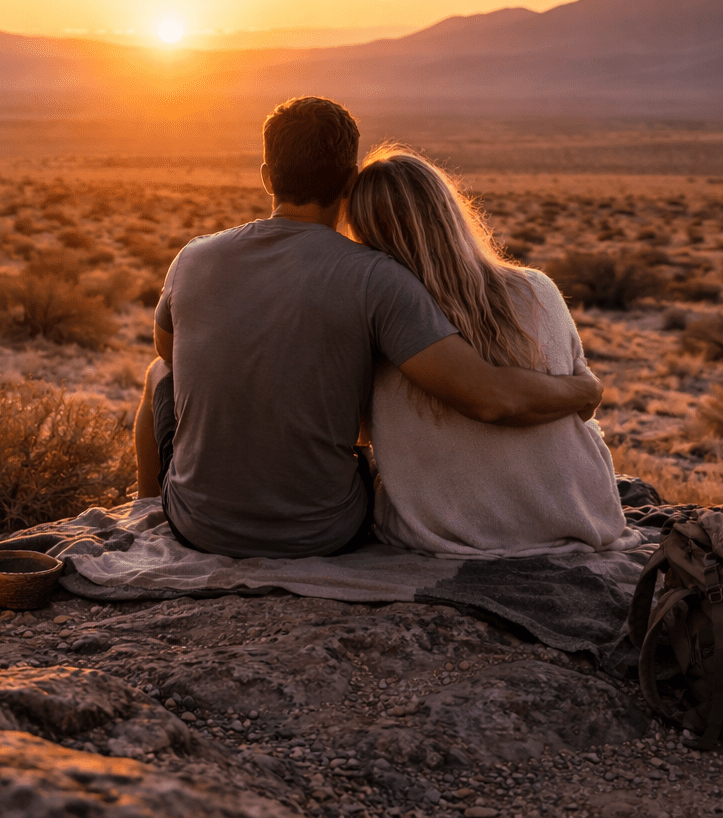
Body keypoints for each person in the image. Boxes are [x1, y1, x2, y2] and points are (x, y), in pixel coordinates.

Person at [133, 96, 602, 559]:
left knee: (158, 376)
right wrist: (582, 392)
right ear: (350, 182)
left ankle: (146, 508)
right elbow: (488, 396)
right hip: (324, 532)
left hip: (198, 525)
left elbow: (169, 353)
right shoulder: (376, 277)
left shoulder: (193, 257)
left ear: (267, 176)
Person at [344, 144, 638, 557]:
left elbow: (361, 431)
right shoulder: (537, 289)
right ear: (448, 211)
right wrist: (586, 389)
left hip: (446, 529)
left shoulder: (374, 319)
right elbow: (583, 409)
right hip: (576, 515)